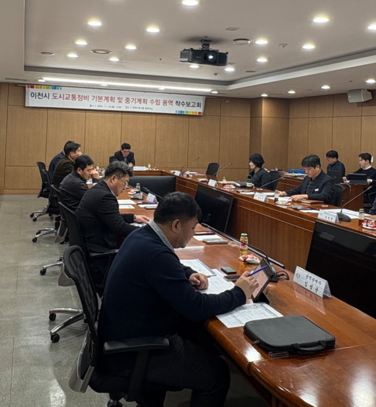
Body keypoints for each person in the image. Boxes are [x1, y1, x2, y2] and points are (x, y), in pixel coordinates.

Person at [99, 192, 257, 407]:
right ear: (176, 225)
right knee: (217, 375)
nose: (192, 234)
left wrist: (187, 273)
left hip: (123, 333)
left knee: (197, 336)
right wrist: (239, 293)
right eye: (192, 228)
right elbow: (195, 307)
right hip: (133, 350)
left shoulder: (142, 236)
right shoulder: (157, 254)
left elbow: (166, 266)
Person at [75, 161, 148, 284]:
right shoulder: (106, 197)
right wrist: (149, 231)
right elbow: (120, 228)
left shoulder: (98, 189)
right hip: (100, 256)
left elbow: (110, 217)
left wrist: (133, 217)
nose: (125, 187)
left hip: (90, 246)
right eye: (124, 182)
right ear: (113, 178)